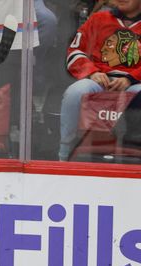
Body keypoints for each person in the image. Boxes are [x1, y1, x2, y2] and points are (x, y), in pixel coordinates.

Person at [59, 0, 141, 160]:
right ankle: (65, 153)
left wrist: (131, 78)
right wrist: (91, 72)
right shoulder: (98, 19)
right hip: (98, 80)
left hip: (136, 84)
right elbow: (75, 51)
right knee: (76, 92)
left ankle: (134, 155)